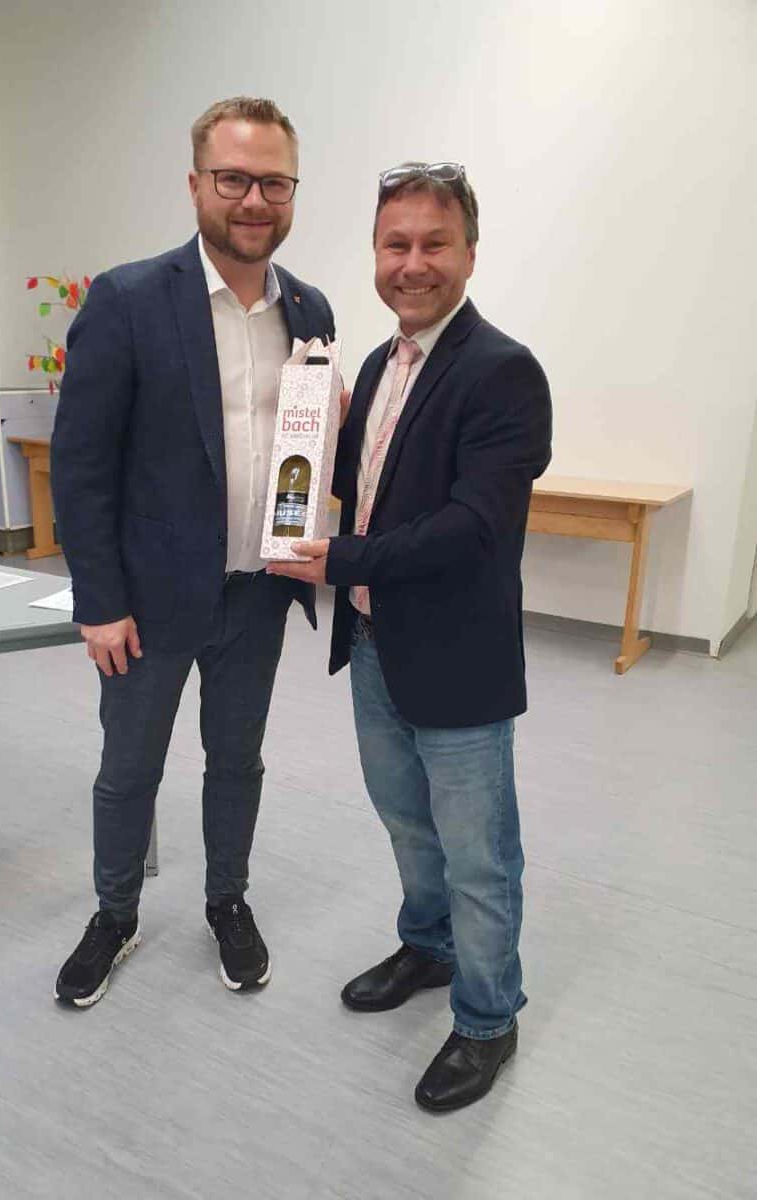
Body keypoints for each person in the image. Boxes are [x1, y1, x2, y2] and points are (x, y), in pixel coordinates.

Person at [268, 162, 551, 1111]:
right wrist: (305, 428)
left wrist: (340, 560)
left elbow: (474, 527)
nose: (414, 262)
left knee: (479, 853)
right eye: (397, 244)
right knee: (406, 822)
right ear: (375, 254)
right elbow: (361, 488)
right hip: (374, 645)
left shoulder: (502, 371)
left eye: (435, 243)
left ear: (469, 253)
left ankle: (488, 1019)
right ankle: (428, 948)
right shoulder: (380, 366)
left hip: (458, 656)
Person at [50, 97, 335, 1007]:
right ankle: (114, 915)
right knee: (129, 769)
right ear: (196, 184)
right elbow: (82, 466)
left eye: (274, 183)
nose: (254, 200)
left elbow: (304, 444)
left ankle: (227, 901)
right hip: (147, 600)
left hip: (259, 592)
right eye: (234, 179)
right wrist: (98, 601)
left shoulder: (310, 308)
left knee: (237, 761)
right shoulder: (129, 299)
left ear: (292, 192)